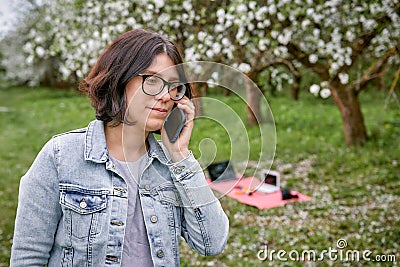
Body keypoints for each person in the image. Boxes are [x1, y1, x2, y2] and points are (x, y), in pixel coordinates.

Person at [10, 29, 229, 266]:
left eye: (175, 86)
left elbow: (212, 243)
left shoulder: (173, 165)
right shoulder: (60, 156)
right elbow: (27, 257)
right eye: (153, 80)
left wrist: (180, 157)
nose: (167, 96)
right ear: (119, 79)